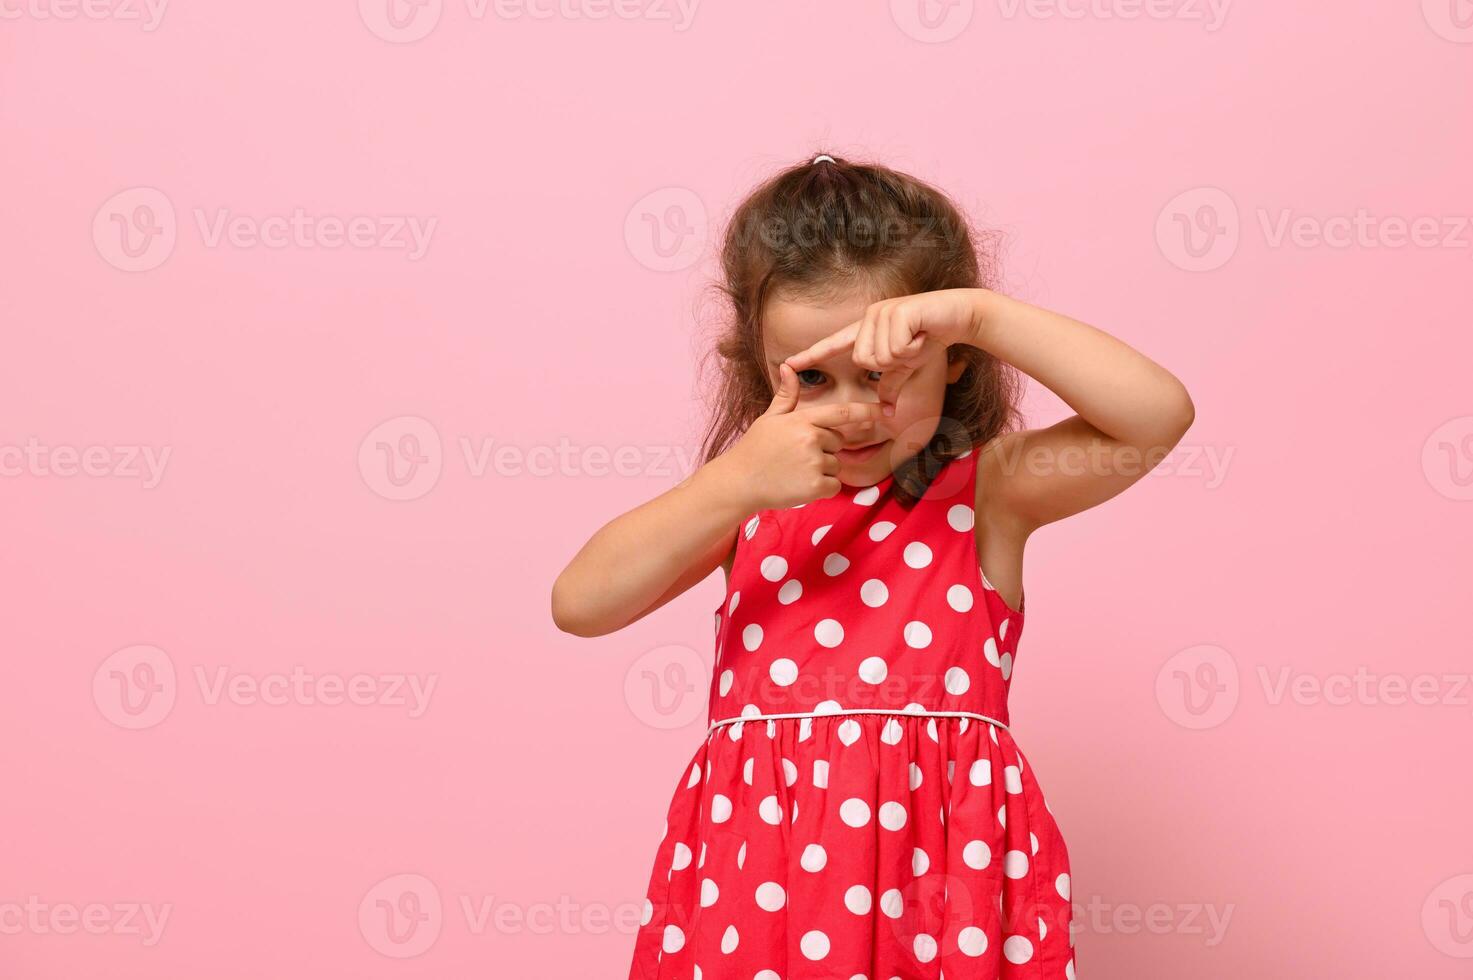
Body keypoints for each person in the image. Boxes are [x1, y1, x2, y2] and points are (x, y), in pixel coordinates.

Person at [552, 151, 1195, 979]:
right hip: (760, 893)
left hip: (943, 892)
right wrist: (736, 481)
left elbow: (1154, 417)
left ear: (952, 359)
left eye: (884, 374)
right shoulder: (744, 508)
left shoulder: (988, 494)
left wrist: (980, 315)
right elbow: (581, 602)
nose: (853, 410)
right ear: (759, 367)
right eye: (812, 376)